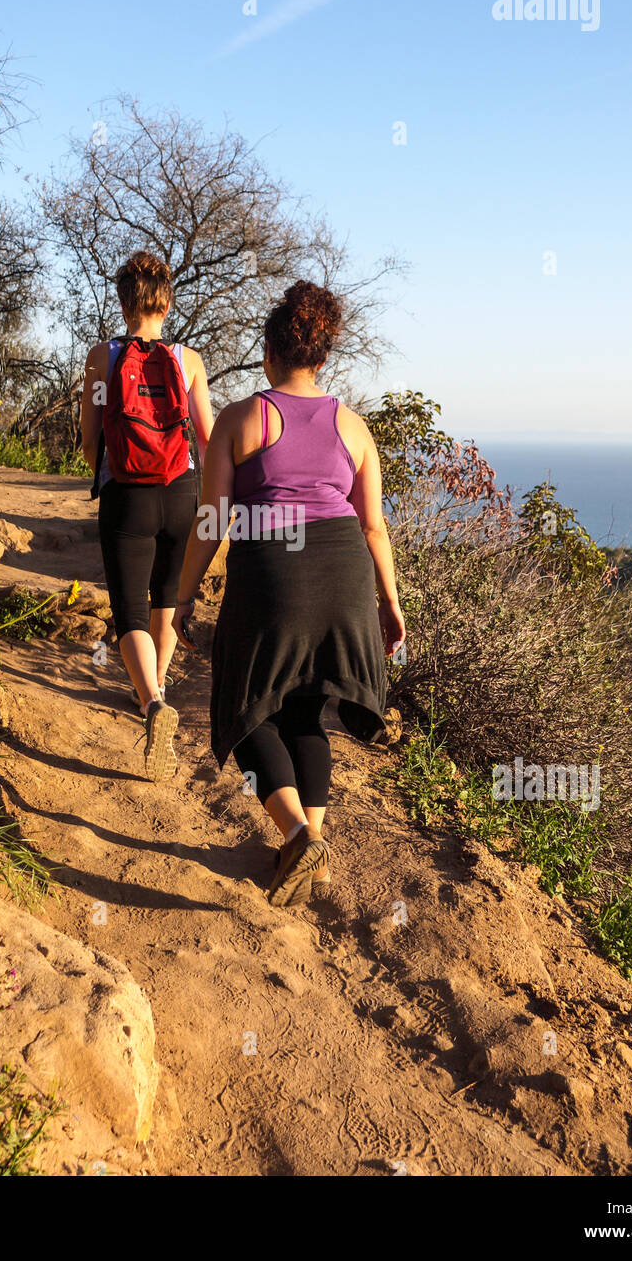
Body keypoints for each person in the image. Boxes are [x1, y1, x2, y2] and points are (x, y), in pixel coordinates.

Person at [172, 281, 405, 905]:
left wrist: (184, 596)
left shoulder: (244, 417)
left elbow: (212, 520)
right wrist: (389, 601)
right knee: (305, 712)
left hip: (275, 572)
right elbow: (373, 526)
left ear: (268, 353)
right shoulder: (353, 427)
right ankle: (311, 854)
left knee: (245, 710)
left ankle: (299, 837)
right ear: (322, 358)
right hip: (346, 573)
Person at [81, 251, 214, 781]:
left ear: (122, 300)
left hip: (127, 494)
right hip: (181, 493)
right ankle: (155, 699)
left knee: (128, 615)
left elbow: (90, 434)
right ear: (166, 301)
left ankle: (154, 705)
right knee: (166, 602)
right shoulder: (191, 360)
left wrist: (106, 472)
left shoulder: (101, 357)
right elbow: (206, 437)